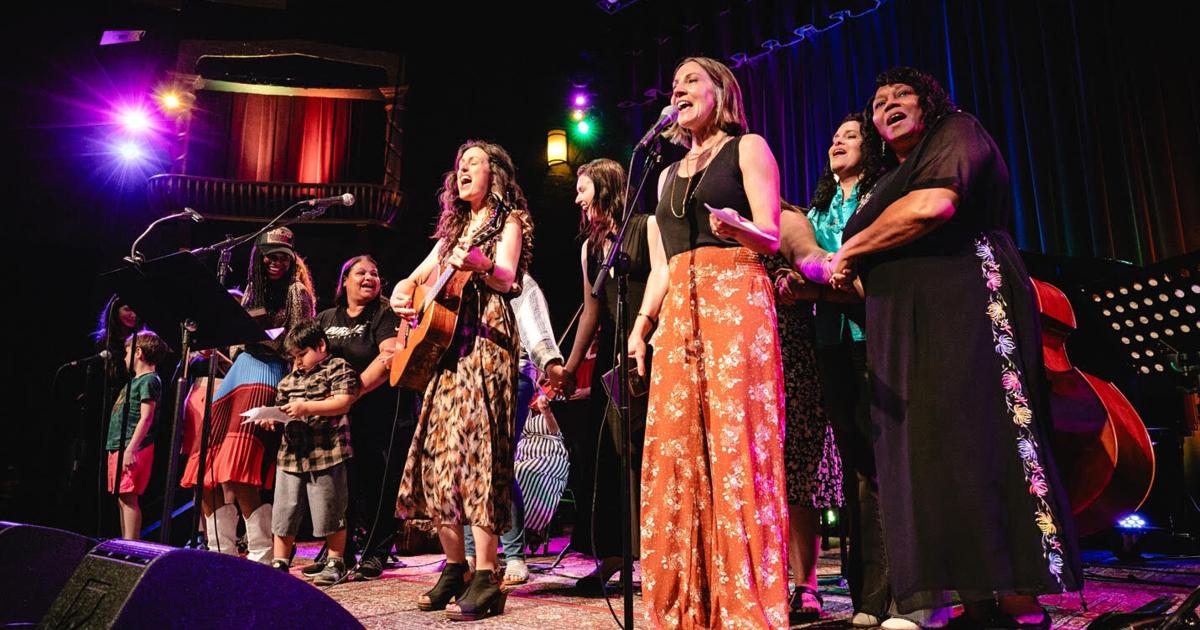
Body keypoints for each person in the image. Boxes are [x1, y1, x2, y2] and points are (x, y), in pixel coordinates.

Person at [830, 66, 1081, 628]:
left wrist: (849, 251)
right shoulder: (885, 180)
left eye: (902, 94)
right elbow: (870, 277)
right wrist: (820, 283)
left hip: (968, 299)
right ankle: (966, 596)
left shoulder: (956, 131)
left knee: (982, 437)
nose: (889, 105)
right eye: (878, 102)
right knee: (929, 452)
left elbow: (933, 207)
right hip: (903, 324)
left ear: (928, 103)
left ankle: (1019, 597)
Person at [627, 56, 788, 629]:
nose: (679, 89)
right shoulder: (665, 173)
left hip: (735, 298)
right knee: (677, 449)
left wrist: (740, 228)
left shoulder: (748, 148)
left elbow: (772, 235)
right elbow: (663, 265)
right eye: (674, 83)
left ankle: (743, 599)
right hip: (679, 311)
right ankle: (685, 600)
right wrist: (642, 324)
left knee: (734, 443)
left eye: (692, 79)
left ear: (722, 91)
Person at [390, 140, 532, 621]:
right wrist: (402, 292)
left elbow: (507, 277)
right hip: (446, 352)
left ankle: (487, 575)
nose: (463, 170)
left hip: (486, 344)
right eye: (460, 165)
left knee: (477, 456)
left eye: (474, 163)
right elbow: (415, 278)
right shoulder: (452, 232)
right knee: (439, 458)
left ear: (496, 173)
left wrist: (482, 264)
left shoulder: (506, 221)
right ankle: (455, 568)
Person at [788, 113, 893, 627]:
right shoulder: (815, 211)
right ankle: (865, 593)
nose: (837, 142)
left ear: (869, 146)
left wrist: (819, 286)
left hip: (875, 337)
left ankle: (891, 593)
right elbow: (806, 267)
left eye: (849, 136)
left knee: (882, 465)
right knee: (855, 468)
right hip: (829, 343)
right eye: (833, 137)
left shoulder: (882, 198)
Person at [180, 227, 316, 564]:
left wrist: (283, 396)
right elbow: (240, 346)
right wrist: (221, 351)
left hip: (266, 374)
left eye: (284, 256)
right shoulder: (252, 292)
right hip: (237, 373)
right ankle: (221, 554)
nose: (277, 262)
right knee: (206, 469)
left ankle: (261, 554)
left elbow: (299, 347)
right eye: (270, 256)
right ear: (258, 258)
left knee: (240, 469)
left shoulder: (296, 292)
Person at [561, 157, 652, 592]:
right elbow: (590, 311)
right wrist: (570, 368)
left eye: (583, 189)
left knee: (649, 452)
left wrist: (646, 335)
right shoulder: (590, 249)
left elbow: (665, 284)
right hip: (611, 361)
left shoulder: (646, 227)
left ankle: (659, 554)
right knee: (610, 459)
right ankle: (616, 553)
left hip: (649, 349)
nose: (577, 199)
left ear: (605, 186)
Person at [765, 199, 844, 624]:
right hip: (745, 362)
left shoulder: (785, 218)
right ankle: (766, 580)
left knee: (798, 473)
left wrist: (800, 279)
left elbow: (809, 262)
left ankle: (806, 584)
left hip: (791, 357)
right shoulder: (724, 226)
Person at [463, 272, 569, 587]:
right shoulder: (462, 277)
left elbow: (536, 329)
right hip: (466, 376)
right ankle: (472, 553)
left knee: (499, 464)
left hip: (511, 375)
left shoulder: (520, 282)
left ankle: (513, 555)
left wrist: (551, 364)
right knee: (469, 466)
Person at [314, 255, 409, 581]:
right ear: (344, 281)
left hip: (377, 411)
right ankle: (338, 552)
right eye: (361, 273)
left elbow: (388, 356)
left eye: (375, 273)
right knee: (341, 484)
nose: (369, 278)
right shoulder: (327, 317)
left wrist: (351, 394)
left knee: (377, 483)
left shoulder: (384, 313)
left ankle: (375, 552)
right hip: (335, 416)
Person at [263, 319, 359, 587]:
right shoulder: (288, 381)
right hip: (291, 455)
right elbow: (282, 408)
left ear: (321, 345)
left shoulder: (337, 368)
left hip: (327, 451)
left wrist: (306, 407)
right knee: (285, 510)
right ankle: (280, 561)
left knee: (329, 508)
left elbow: (343, 402)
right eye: (294, 356)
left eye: (303, 354)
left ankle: (335, 561)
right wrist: (271, 418)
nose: (298, 361)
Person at [106, 330, 167, 540]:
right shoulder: (136, 381)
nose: (125, 358)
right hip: (120, 445)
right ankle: (127, 542)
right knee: (123, 497)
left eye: (127, 352)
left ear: (138, 352)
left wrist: (131, 449)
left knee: (128, 497)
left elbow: (146, 418)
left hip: (132, 446)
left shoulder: (149, 380)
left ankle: (131, 545)